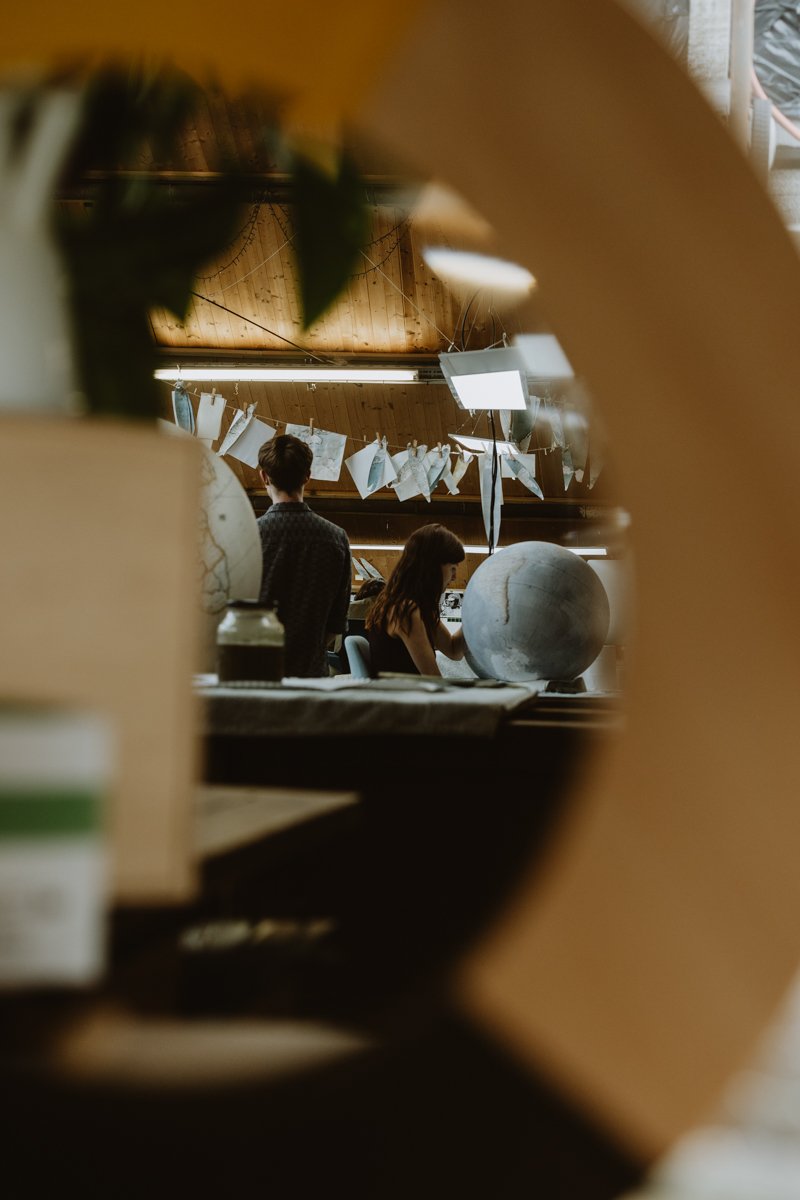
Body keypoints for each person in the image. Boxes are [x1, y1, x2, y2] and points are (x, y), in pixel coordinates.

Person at [257, 434, 351, 677]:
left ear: (264, 476)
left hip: (257, 673)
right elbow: (336, 623)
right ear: (307, 476)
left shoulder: (247, 535)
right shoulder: (336, 538)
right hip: (311, 674)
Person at [365, 524, 466, 676]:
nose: (454, 577)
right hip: (405, 691)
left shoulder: (413, 607)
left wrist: (474, 617)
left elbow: (454, 650)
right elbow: (432, 678)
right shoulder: (405, 610)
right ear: (432, 566)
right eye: (452, 568)